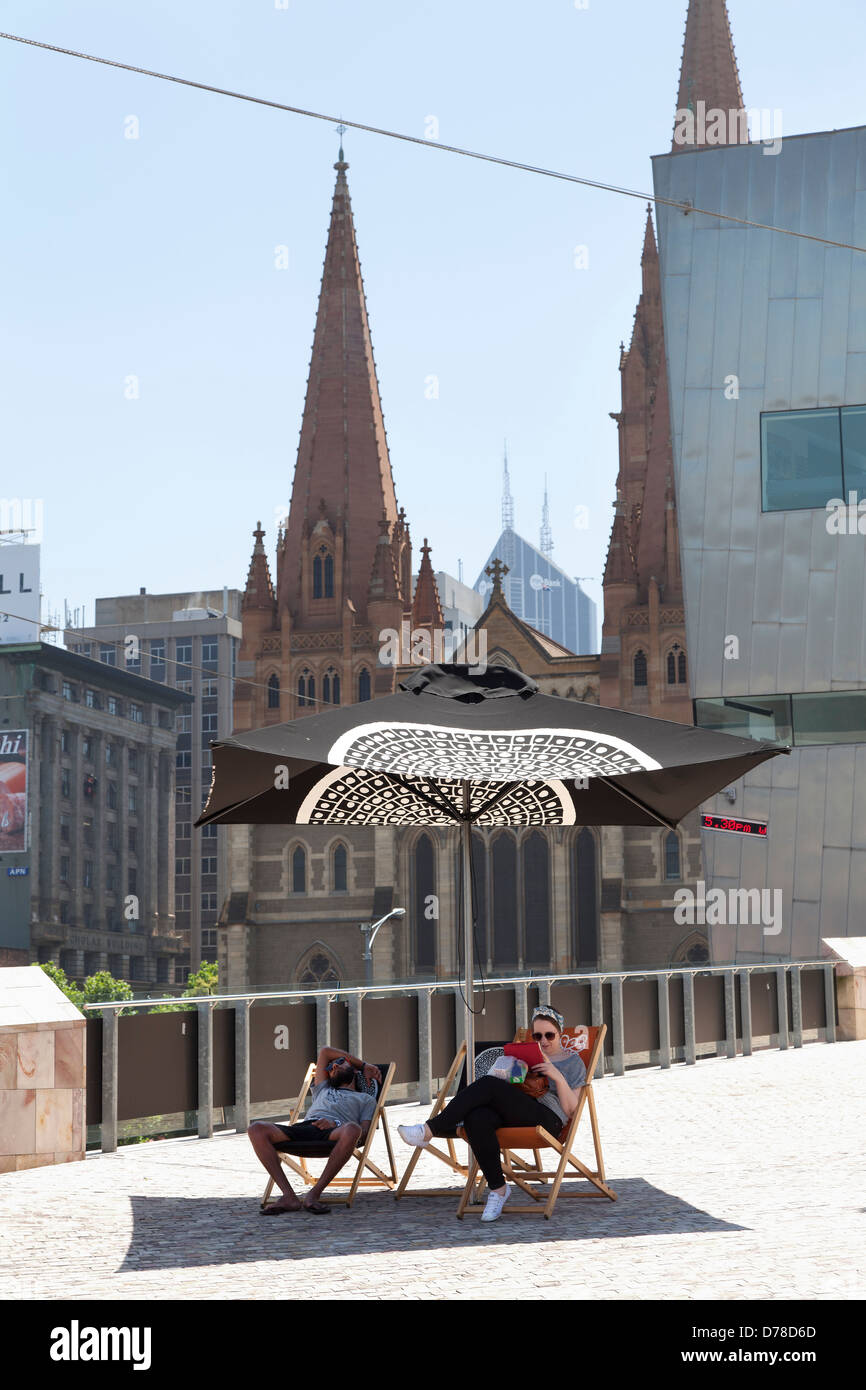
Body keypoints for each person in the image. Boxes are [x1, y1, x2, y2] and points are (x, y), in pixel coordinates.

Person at [397, 1006, 586, 1222]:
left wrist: (556, 1075)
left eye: (549, 1035)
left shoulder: (573, 1062)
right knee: (477, 1118)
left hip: (549, 1118)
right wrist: (517, 1067)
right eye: (538, 1035)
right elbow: (514, 1086)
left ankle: (429, 1130)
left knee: (488, 1085)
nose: (543, 1041)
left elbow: (572, 1109)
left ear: (560, 1033)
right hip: (519, 1108)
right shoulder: (531, 1053)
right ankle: (498, 1190)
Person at [249, 1048, 382, 1215]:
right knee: (256, 1129)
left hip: (335, 1132)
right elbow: (325, 1052)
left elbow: (363, 1131)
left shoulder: (366, 1099)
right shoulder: (323, 1088)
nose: (334, 1067)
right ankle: (289, 1196)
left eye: (340, 1062)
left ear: (354, 1071)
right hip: (305, 1128)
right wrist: (362, 1065)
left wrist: (336, 1123)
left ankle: (314, 1194)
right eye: (331, 1067)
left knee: (353, 1129)